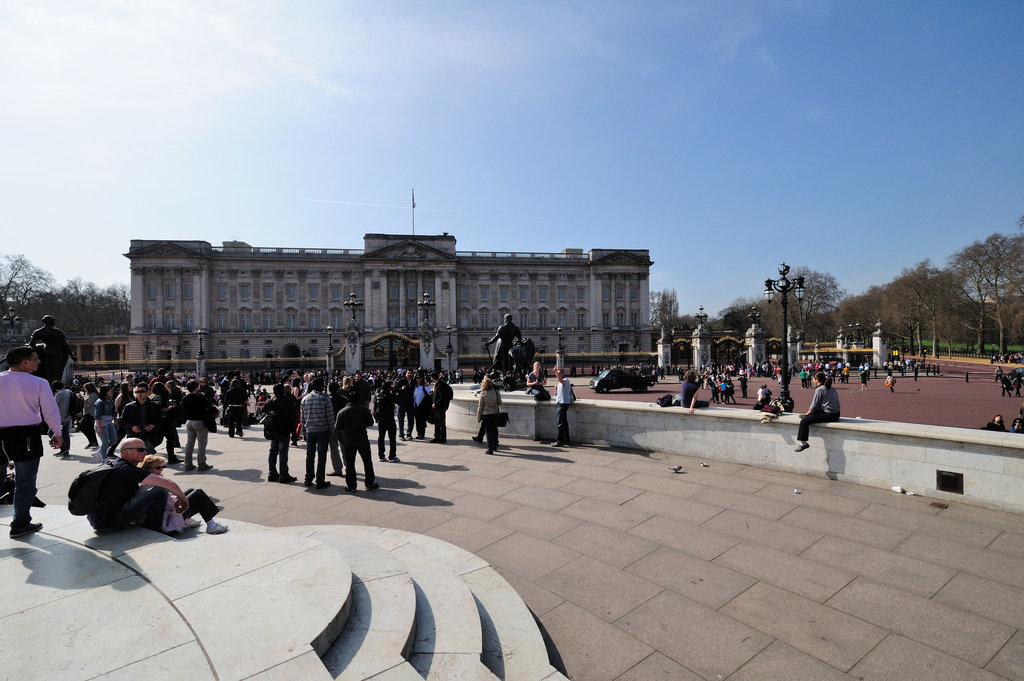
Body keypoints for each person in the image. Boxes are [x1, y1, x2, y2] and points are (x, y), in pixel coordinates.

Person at [0, 347, 63, 538]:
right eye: (35, 359)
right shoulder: (39, 383)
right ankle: (20, 524)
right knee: (25, 482)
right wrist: (57, 432)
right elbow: (50, 411)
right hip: (26, 434)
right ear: (25, 362)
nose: (39, 362)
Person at [87, 438, 190, 533]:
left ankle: (172, 520)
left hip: (98, 521)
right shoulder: (127, 470)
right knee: (160, 490)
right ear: (126, 452)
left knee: (162, 492)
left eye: (145, 449)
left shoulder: (114, 465)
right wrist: (183, 499)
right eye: (140, 450)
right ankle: (154, 529)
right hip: (110, 523)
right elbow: (167, 483)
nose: (145, 452)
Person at [137, 455, 227, 534]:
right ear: (148, 469)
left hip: (163, 516)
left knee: (190, 491)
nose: (161, 470)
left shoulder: (145, 482)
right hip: (167, 521)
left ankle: (186, 520)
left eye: (162, 467)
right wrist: (180, 499)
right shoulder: (155, 484)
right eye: (158, 468)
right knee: (197, 494)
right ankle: (211, 526)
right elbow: (172, 505)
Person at [336, 393, 378, 492]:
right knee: (367, 461)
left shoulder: (342, 411)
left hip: (348, 440)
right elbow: (370, 423)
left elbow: (338, 427)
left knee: (350, 464)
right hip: (362, 438)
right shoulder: (364, 409)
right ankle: (369, 483)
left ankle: (351, 486)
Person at [300, 378, 334, 489]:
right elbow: (330, 416)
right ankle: (320, 480)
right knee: (322, 455)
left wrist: (303, 432)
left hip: (310, 431)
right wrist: (332, 431)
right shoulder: (325, 398)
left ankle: (308, 479)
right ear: (320, 386)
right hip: (323, 430)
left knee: (310, 455)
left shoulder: (305, 399)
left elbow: (302, 418)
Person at [794, 372, 841, 452]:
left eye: (813, 379)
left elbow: (814, 404)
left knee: (804, 422)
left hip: (829, 414)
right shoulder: (831, 388)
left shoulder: (819, 389)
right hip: (836, 413)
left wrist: (807, 414)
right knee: (813, 414)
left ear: (816, 379)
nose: (812, 381)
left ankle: (803, 443)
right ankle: (810, 415)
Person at [29, 315, 77, 386]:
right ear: (52, 322)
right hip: (59, 354)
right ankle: (55, 387)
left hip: (46, 353)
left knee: (47, 372)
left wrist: (40, 348)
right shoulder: (57, 332)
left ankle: (48, 386)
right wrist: (72, 356)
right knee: (57, 374)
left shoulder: (38, 332)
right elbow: (65, 345)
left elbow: (32, 344)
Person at [263, 383, 298, 483]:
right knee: (283, 453)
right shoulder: (288, 401)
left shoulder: (271, 402)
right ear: (283, 391)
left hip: (273, 431)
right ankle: (283, 475)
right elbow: (293, 416)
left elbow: (263, 410)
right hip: (284, 430)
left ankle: (272, 473)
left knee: (273, 451)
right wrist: (293, 430)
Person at [119, 383, 164, 455]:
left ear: (148, 392)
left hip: (149, 437)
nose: (139, 394)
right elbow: (122, 422)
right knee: (134, 461)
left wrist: (153, 425)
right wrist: (132, 427)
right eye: (137, 392)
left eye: (142, 391)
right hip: (133, 438)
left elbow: (160, 420)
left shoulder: (155, 406)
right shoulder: (129, 407)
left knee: (148, 461)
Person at [180, 380, 213, 471]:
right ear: (196, 387)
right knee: (202, 443)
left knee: (189, 444)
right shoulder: (200, 397)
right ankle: (201, 463)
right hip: (199, 421)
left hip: (189, 421)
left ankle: (188, 463)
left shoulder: (185, 398)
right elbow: (208, 407)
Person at [373, 381, 400, 462]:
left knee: (381, 437)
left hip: (381, 419)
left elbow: (375, 405)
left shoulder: (377, 394)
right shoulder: (390, 395)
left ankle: (381, 455)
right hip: (389, 418)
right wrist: (394, 391)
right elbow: (397, 400)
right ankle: (392, 456)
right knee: (392, 438)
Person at [476, 374, 503, 455]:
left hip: (486, 414)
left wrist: (478, 417)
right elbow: (500, 402)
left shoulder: (483, 393)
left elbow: (480, 407)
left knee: (488, 431)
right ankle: (495, 446)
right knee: (494, 430)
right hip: (495, 413)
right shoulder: (496, 391)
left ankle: (490, 448)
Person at [93, 385, 118, 462]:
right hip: (101, 424)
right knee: (105, 442)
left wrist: (115, 420)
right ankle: (104, 459)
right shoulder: (99, 402)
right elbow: (97, 416)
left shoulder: (110, 400)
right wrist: (100, 427)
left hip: (109, 423)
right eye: (111, 391)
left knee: (114, 440)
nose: (112, 392)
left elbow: (113, 412)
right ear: (106, 392)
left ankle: (98, 452)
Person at [430, 372, 453, 443]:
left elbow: (443, 397)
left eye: (431, 377)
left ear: (433, 378)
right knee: (437, 423)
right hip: (437, 407)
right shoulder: (438, 384)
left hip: (440, 407)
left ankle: (443, 438)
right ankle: (437, 437)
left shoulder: (440, 385)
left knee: (441, 423)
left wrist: (435, 404)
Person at [51, 380, 73, 457]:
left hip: (60, 416)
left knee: (50, 432)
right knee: (65, 433)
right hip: (68, 415)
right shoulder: (68, 392)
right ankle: (66, 449)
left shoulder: (59, 394)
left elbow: (54, 405)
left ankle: (64, 448)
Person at [552, 366, 572, 447]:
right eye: (558, 373)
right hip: (562, 402)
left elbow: (560, 380)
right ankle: (567, 440)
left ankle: (560, 441)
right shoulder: (562, 381)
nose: (559, 374)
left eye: (560, 373)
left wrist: (556, 373)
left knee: (560, 423)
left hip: (563, 403)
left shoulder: (565, 380)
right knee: (564, 423)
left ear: (564, 373)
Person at [80, 382, 100, 450]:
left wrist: (82, 398)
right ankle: (93, 441)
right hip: (88, 413)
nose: (84, 389)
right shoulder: (91, 394)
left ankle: (92, 441)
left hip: (91, 413)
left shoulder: (93, 395)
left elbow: (88, 405)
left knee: (82, 427)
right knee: (90, 428)